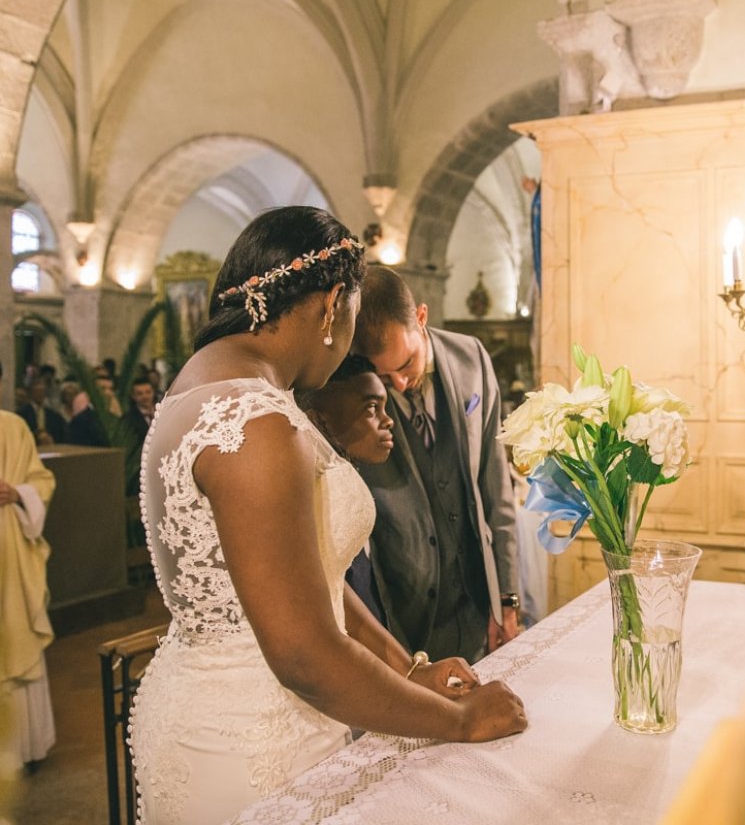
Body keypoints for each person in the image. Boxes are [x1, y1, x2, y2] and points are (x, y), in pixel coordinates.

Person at [129, 206, 526, 825]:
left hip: (210, 705)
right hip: (254, 737)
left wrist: (410, 671)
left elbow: (307, 573)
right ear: (333, 303)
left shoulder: (207, 385)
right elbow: (303, 655)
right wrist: (458, 719)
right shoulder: (254, 422)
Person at [351, 266, 521, 664]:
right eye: (383, 374)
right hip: (405, 621)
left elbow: (497, 490)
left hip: (480, 610)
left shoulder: (472, 358)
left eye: (405, 364)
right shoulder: (352, 388)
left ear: (422, 317)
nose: (398, 385)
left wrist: (507, 601)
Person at [300, 353, 394, 625]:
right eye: (370, 409)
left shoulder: (351, 483)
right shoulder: (315, 498)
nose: (388, 421)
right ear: (320, 420)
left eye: (384, 407)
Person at [0, 361, 58, 772]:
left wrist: (17, 492)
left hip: (9, 551)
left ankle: (25, 750)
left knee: (14, 631)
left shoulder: (11, 426)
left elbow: (42, 481)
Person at [16, 379, 66, 446]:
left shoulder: (52, 414)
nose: (40, 394)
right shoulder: (23, 412)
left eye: (42, 392)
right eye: (37, 392)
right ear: (31, 393)